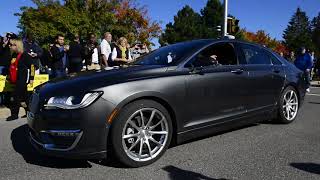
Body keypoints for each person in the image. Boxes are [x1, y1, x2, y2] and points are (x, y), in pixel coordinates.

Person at [7, 39, 37, 121]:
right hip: (17, 78)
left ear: (17, 46)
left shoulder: (25, 55)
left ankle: (14, 114)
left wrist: (31, 78)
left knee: (15, 95)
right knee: (25, 96)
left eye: (12, 45)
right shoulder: (14, 55)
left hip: (23, 79)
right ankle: (29, 112)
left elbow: (32, 66)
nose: (10, 46)